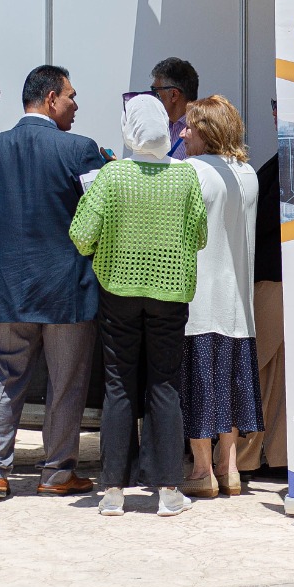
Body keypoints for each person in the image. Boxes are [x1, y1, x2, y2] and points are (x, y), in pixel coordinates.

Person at [0, 66, 104, 501]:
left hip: (4, 287)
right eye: (71, 96)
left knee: (3, 377)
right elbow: (100, 220)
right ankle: (57, 474)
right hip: (67, 291)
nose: (76, 105)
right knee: (67, 383)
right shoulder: (81, 150)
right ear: (50, 98)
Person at [71, 95, 207, 517]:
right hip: (170, 295)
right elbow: (200, 235)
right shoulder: (185, 176)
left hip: (118, 293)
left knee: (118, 386)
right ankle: (169, 490)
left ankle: (113, 491)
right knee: (164, 386)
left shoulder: (112, 176)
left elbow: (81, 236)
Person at [178, 96, 261, 498]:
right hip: (238, 304)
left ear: (206, 131)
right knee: (230, 385)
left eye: (190, 127)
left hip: (198, 299)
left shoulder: (191, 172)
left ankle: (202, 470)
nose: (182, 133)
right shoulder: (248, 174)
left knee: (199, 386)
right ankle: (229, 468)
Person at [236, 99, 287, 479]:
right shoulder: (293, 160)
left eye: (279, 105)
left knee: (260, 369)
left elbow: (269, 217)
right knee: (273, 372)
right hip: (279, 278)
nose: (273, 112)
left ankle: (246, 457)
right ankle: (271, 455)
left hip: (274, 279)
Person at [150, 57, 198, 159]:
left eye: (155, 91)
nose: (152, 97)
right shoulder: (159, 127)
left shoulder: (200, 133)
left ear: (173, 95)